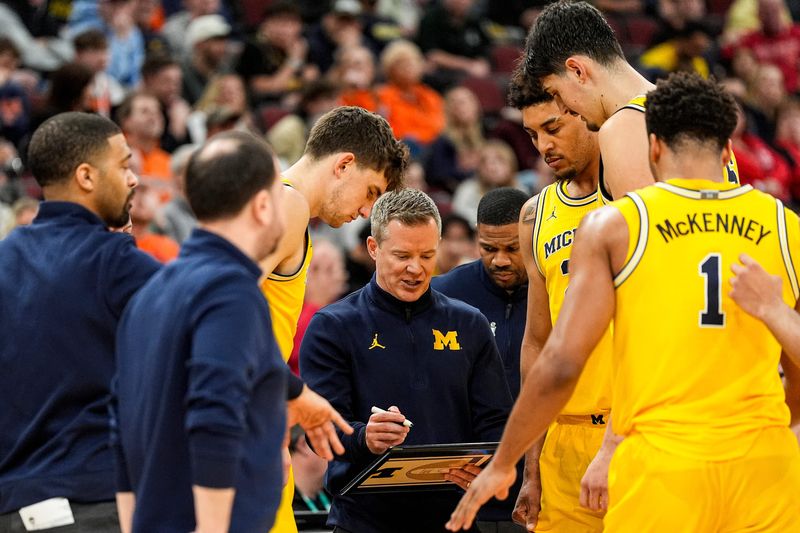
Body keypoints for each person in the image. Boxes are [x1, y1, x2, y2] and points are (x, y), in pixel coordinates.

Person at [446, 72, 800, 533]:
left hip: (662, 463)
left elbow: (559, 362)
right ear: (729, 147)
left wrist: (505, 460)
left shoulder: (616, 226)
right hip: (762, 464)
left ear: (652, 147)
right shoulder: (784, 224)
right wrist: (774, 316)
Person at [300, 188, 513, 533]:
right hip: (364, 521)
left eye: (427, 255)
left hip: (454, 519)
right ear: (374, 248)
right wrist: (364, 438)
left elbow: (497, 421)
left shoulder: (469, 323)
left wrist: (488, 463)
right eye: (402, 256)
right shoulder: (333, 327)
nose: (415, 269)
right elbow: (318, 429)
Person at [112, 131, 288, 532]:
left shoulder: (151, 290)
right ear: (262, 205)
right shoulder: (231, 292)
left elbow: (117, 422)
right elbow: (214, 415)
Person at [0, 112, 160, 529]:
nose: (132, 179)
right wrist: (295, 393)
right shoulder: (114, 261)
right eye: (124, 165)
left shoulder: (5, 258)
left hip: (12, 508)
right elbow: (217, 329)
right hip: (92, 506)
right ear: (86, 176)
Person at [260, 105, 407, 533]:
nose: (366, 212)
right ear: (344, 164)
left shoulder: (282, 205)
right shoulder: (286, 205)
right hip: (238, 422)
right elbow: (220, 307)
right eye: (371, 192)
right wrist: (295, 393)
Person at [503, 71, 614, 533]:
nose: (543, 146)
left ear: (587, 115)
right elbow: (536, 345)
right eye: (533, 135)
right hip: (561, 441)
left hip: (626, 431)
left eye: (553, 128)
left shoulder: (628, 198)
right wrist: (532, 469)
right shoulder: (536, 214)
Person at [522, 0, 739, 202]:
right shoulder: (695, 110)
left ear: (577, 71)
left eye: (556, 92)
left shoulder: (622, 127)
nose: (562, 107)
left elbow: (647, 239)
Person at [431, 187, 529, 533]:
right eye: (489, 249)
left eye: (512, 249)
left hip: (538, 480)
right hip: (463, 483)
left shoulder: (557, 290)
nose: (500, 260)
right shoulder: (444, 294)